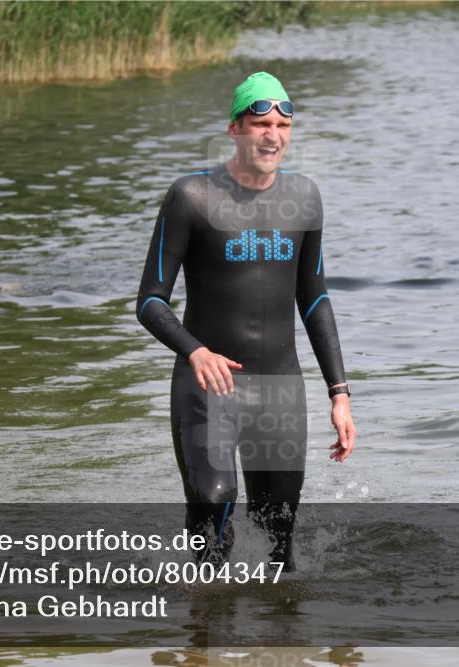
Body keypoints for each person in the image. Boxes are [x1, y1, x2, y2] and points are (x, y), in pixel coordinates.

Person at [136, 72, 356, 569]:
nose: (272, 135)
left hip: (281, 386)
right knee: (213, 502)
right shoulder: (191, 197)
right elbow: (150, 301)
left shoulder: (305, 199)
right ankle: (200, 636)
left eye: (282, 124)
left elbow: (315, 299)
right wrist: (195, 350)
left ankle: (278, 637)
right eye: (260, 124)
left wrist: (339, 395)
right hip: (208, 385)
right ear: (234, 129)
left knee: (278, 541)